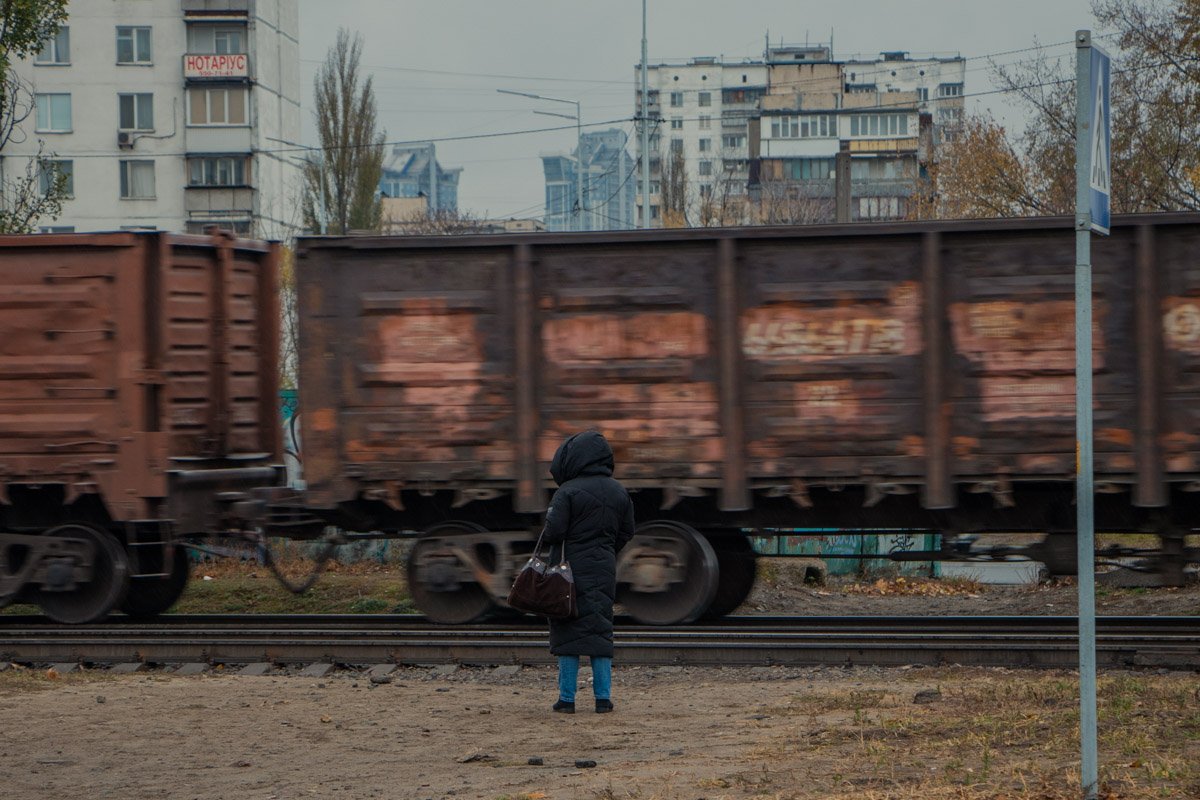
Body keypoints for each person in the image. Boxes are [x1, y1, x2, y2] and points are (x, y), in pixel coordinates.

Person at [540, 430, 635, 714]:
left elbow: (553, 532)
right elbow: (627, 531)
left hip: (569, 571)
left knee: (568, 631)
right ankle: (603, 700)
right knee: (601, 631)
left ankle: (567, 700)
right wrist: (606, 548)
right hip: (604, 568)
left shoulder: (566, 492)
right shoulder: (619, 491)